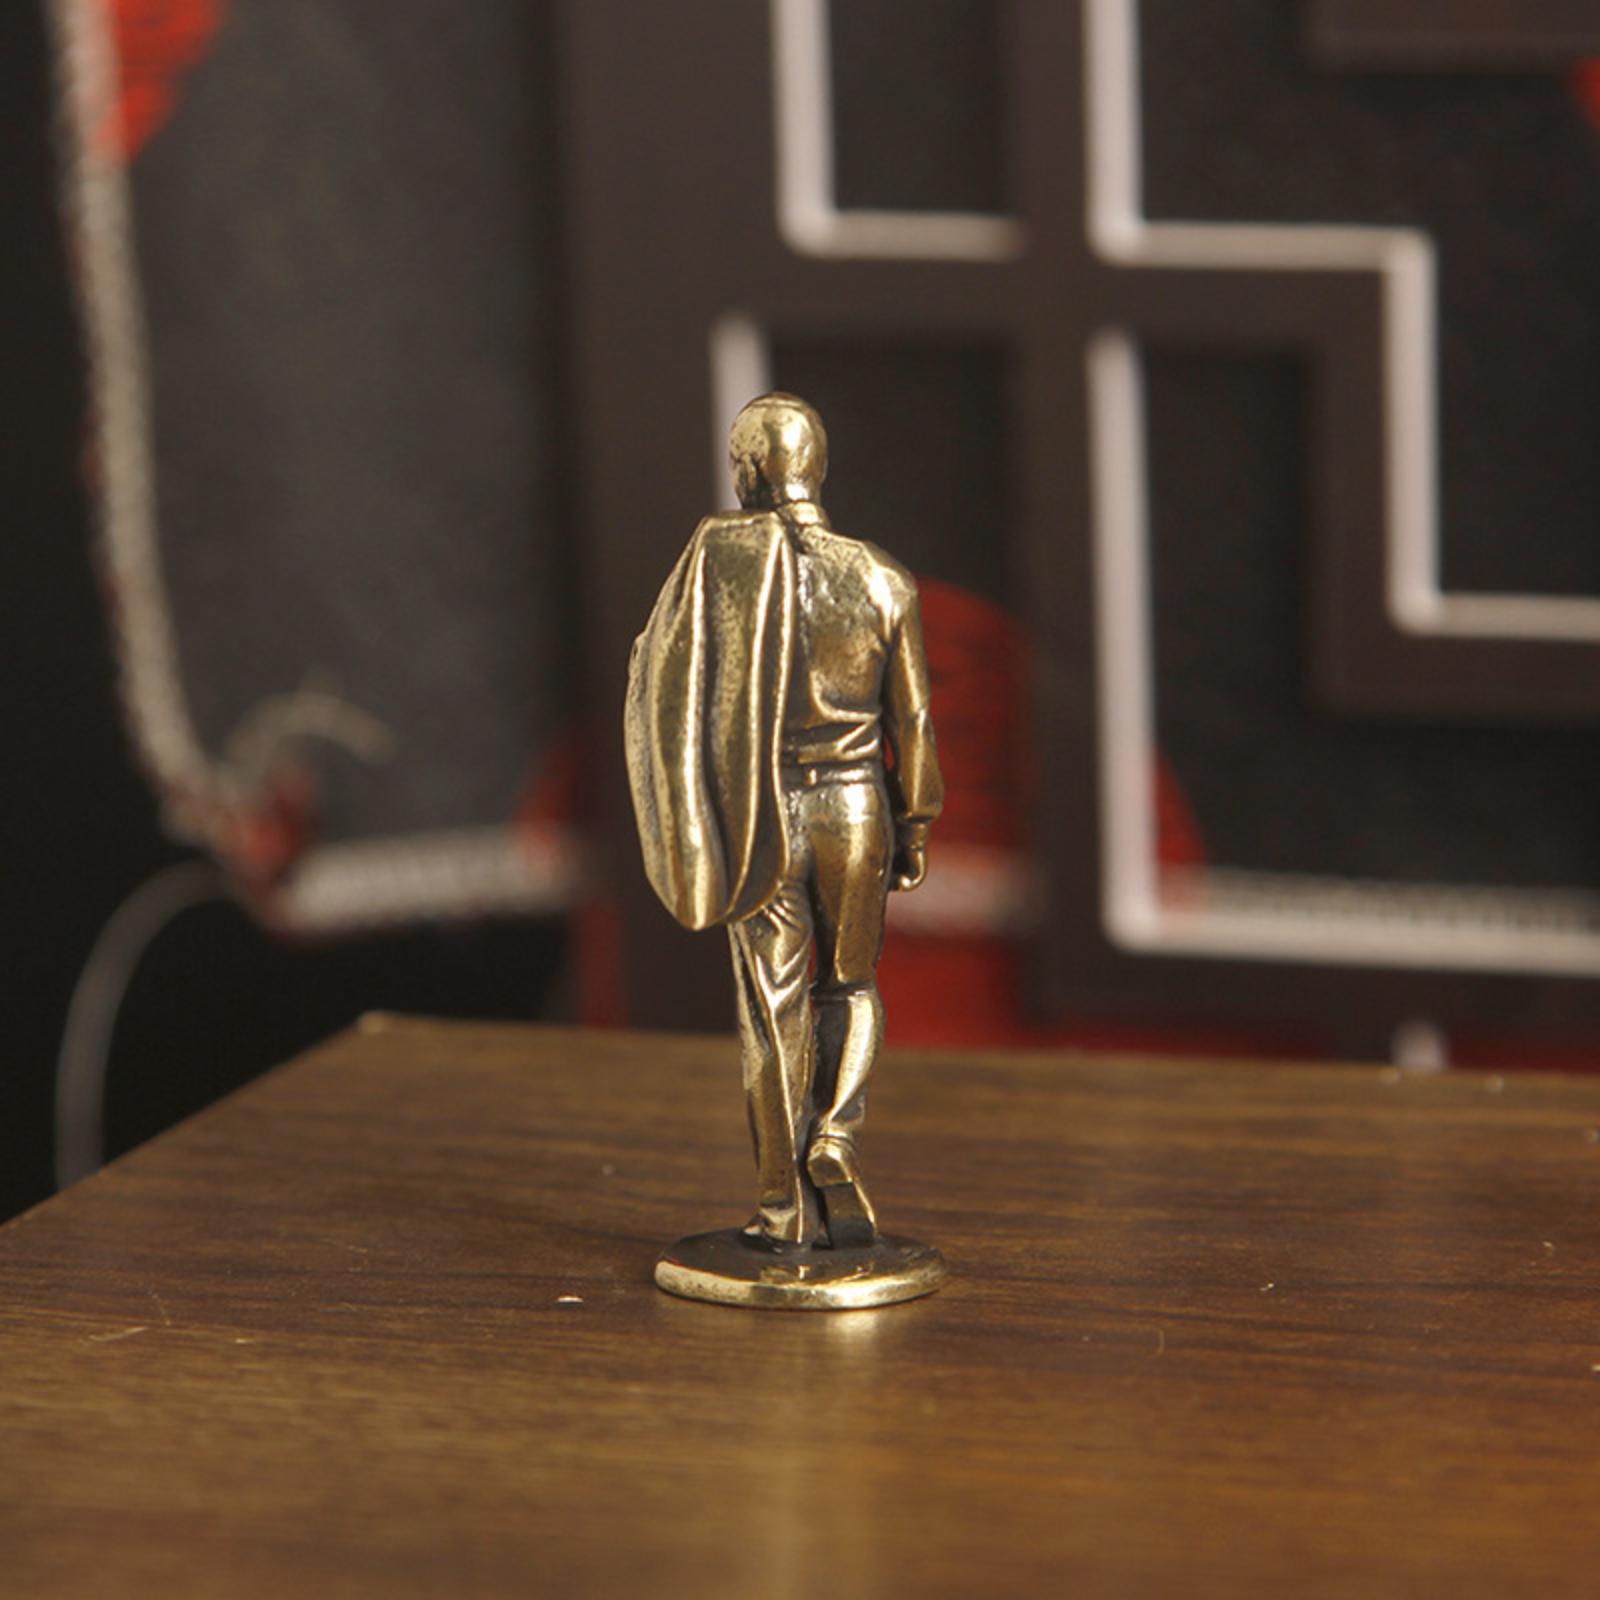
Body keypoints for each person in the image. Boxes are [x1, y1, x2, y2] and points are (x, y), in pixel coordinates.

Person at [627, 392, 942, 1254]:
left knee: (772, 1012)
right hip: (857, 810)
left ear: (750, 471)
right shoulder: (882, 578)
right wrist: (916, 822)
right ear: (818, 469)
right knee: (852, 987)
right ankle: (835, 1132)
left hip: (761, 814)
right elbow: (913, 722)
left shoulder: (720, 569)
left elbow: (668, 682)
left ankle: (780, 1206)